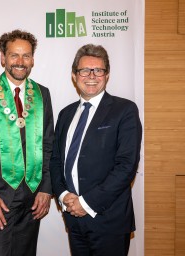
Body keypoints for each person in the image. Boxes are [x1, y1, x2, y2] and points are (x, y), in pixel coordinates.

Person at [0, 29, 54, 256]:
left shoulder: (43, 94)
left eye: (26, 56)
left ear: (33, 59)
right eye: (14, 55)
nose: (20, 62)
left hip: (32, 198)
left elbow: (48, 145)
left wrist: (46, 189)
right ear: (3, 58)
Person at [49, 44, 142, 256]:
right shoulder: (65, 114)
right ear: (74, 76)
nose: (91, 76)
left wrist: (86, 202)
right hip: (73, 218)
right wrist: (64, 196)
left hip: (109, 221)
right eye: (84, 70)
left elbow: (126, 166)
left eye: (98, 70)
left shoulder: (125, 110)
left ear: (107, 75)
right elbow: (55, 161)